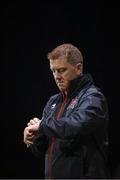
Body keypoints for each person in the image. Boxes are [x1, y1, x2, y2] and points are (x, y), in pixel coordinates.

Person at [23, 43, 109, 179]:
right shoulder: (53, 101)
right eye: (53, 71)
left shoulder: (93, 97)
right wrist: (35, 138)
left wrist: (43, 126)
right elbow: (44, 149)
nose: (57, 76)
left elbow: (77, 125)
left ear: (79, 68)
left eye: (62, 70)